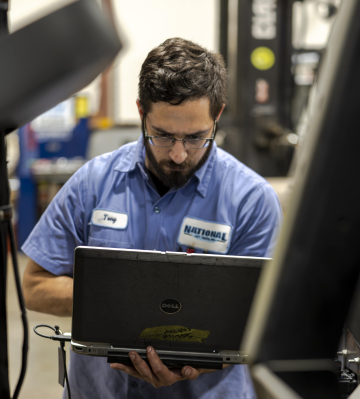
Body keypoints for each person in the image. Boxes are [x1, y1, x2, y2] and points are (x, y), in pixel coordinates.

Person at [22, 38, 283, 399]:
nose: (177, 155)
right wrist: (115, 298)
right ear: (142, 112)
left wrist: (191, 365)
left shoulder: (252, 200)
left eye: (195, 138)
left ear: (218, 115)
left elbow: (263, 321)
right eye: (162, 135)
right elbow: (34, 286)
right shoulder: (92, 183)